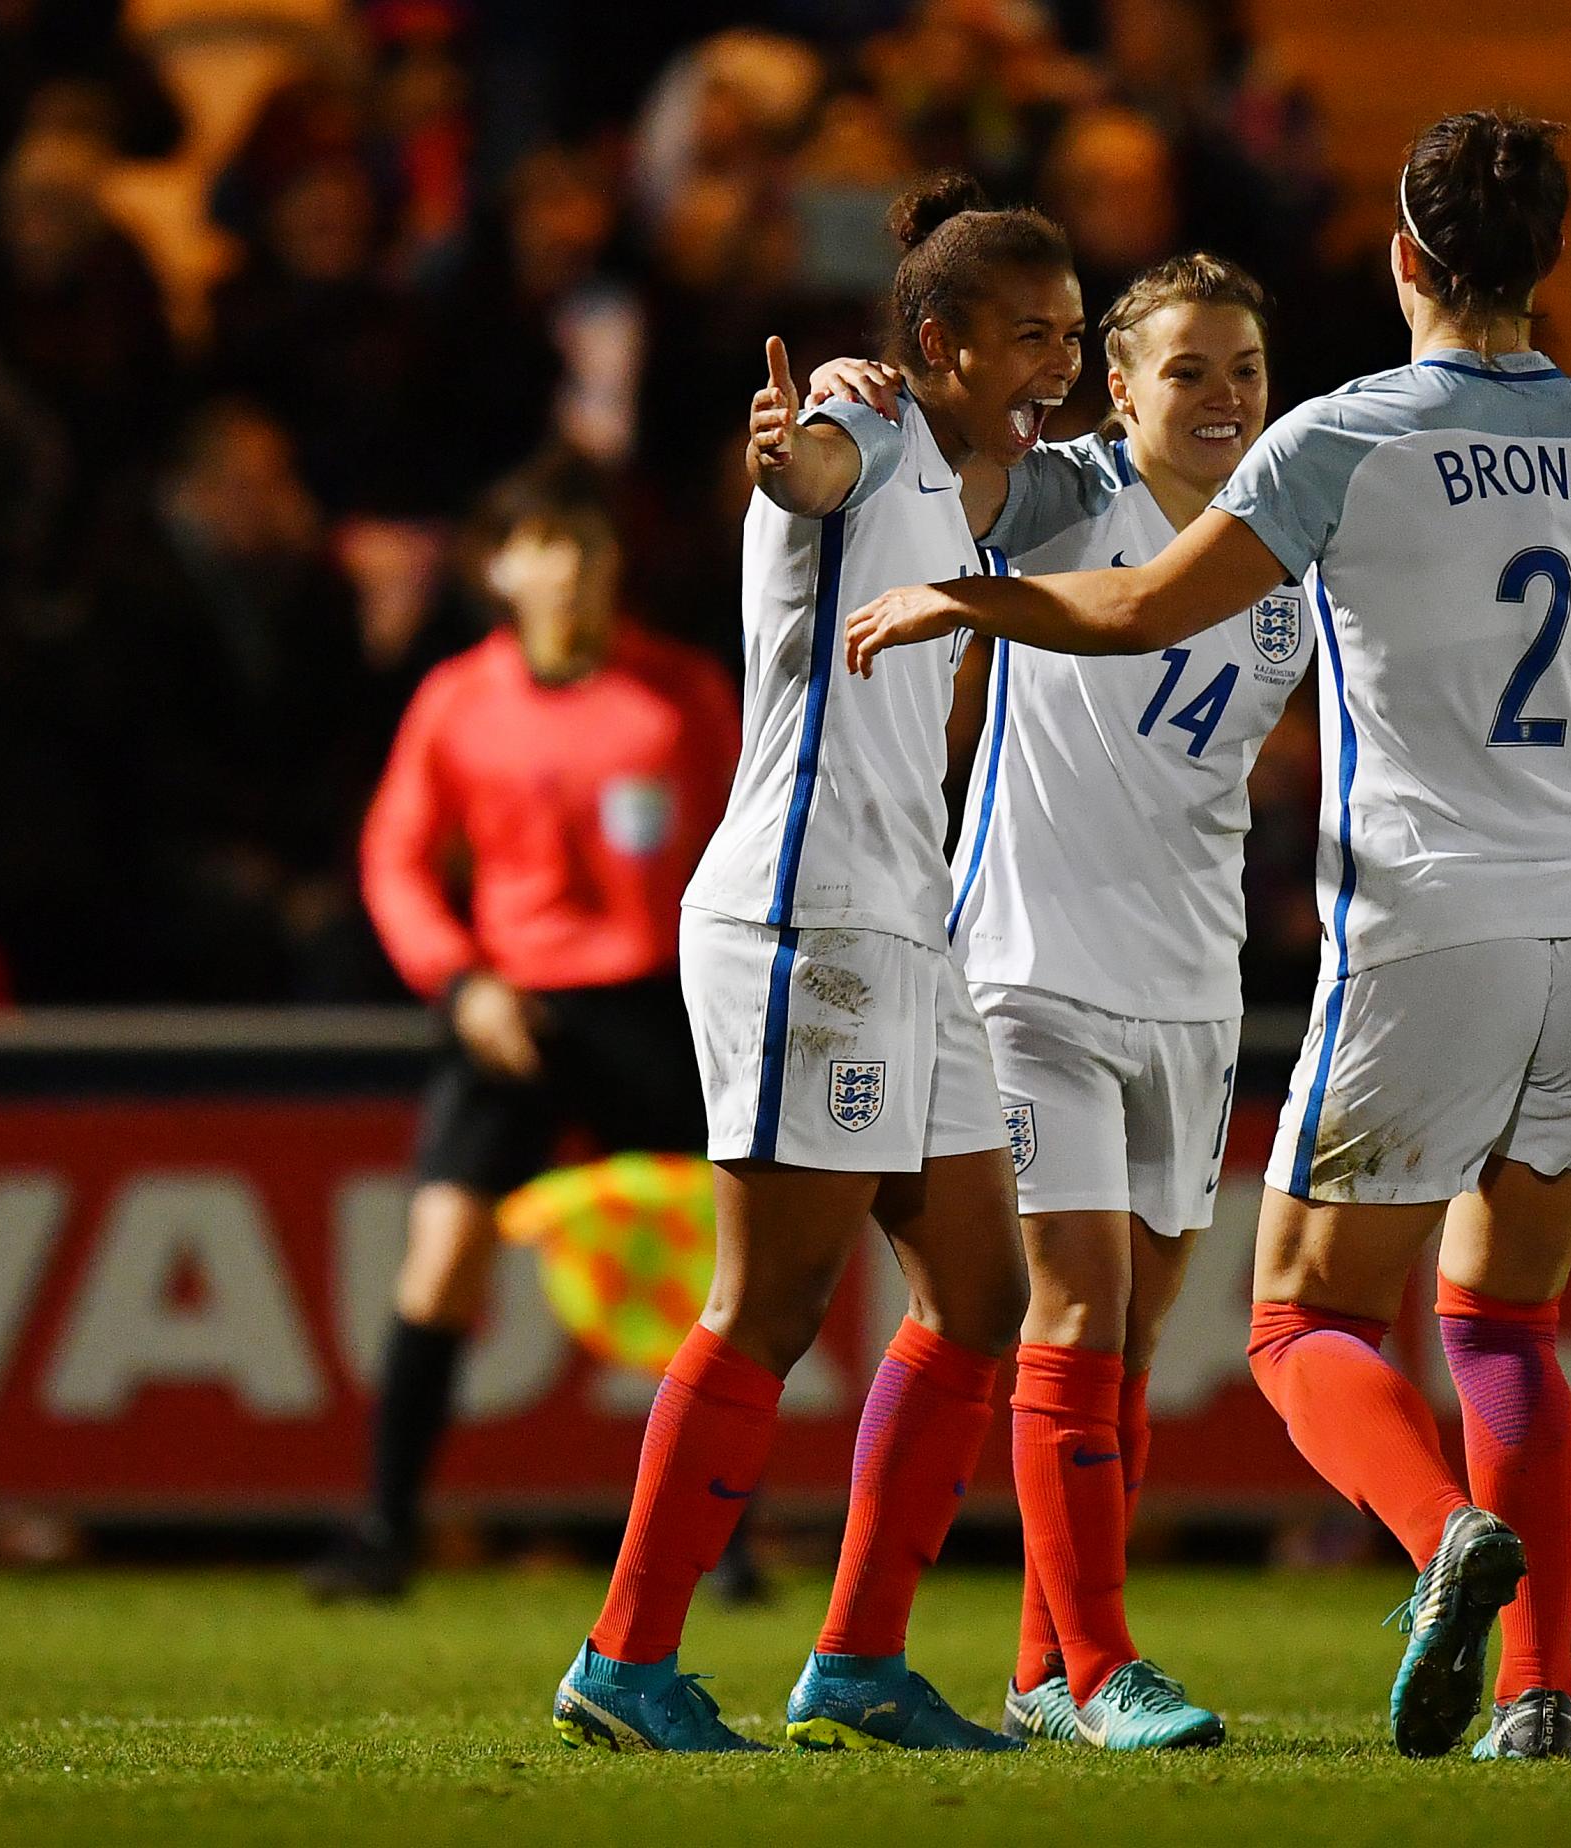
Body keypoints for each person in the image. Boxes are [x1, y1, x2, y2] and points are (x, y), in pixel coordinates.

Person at [844, 109, 1571, 1762]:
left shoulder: (1337, 444)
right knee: (1501, 1322)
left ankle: (1439, 1535)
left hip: (1432, 920)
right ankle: (1540, 1690)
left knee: (1296, 1321)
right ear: (1546, 261)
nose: (1224, 395)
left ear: (1402, 258)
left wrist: (957, 589)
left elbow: (1140, 608)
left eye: (1240, 367)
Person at [549, 174, 1077, 1756]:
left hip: (903, 923)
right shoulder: (868, 437)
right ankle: (626, 1660)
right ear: (937, 340)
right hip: (808, 926)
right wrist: (783, 455)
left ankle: (856, 1662)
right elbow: (805, 472)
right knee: (767, 1306)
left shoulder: (978, 476)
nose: (1055, 364)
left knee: (981, 1294)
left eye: (1069, 334)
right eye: (1030, 338)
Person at [811, 250, 1302, 1750]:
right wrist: (856, 414)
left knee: (1137, 1343)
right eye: (1188, 371)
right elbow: (933, 475)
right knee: (1072, 1307)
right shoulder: (1065, 485)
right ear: (1120, 386)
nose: (1222, 400)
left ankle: (1040, 1665)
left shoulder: (1296, 525)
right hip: (1030, 967)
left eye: (1244, 371)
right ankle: (1102, 1670)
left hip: (1192, 984)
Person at [308, 452, 740, 1601]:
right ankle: (383, 1531)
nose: (570, 570)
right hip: (512, 1012)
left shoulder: (684, 693)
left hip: (657, 1009)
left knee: (721, 1281)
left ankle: (725, 1546)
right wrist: (459, 983)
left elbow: (751, 849)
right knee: (444, 1255)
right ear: (501, 565)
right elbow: (396, 862)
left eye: (589, 546)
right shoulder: (458, 701)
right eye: (545, 545)